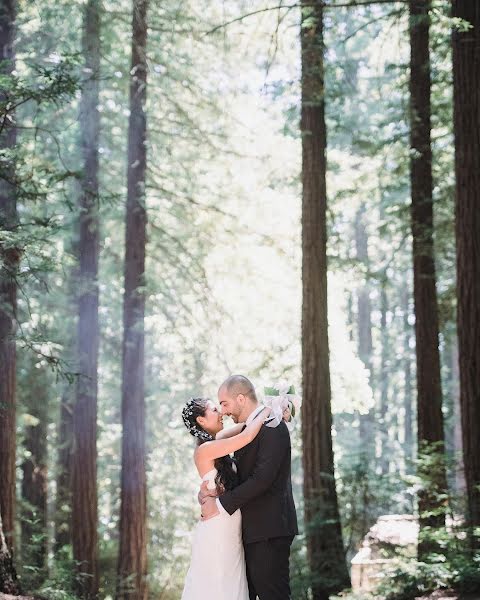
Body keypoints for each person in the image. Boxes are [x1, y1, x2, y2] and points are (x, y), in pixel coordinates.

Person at [200, 375, 298, 600]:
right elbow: (241, 475)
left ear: (241, 399)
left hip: (269, 529)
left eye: (225, 404)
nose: (223, 411)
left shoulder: (273, 426)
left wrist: (221, 505)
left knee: (273, 595)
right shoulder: (252, 429)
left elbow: (262, 479)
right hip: (252, 530)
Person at [181, 395, 270, 600]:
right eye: (214, 409)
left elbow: (246, 425)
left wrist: (274, 413)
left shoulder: (217, 441)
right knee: (218, 580)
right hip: (217, 525)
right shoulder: (204, 450)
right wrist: (268, 409)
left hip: (230, 522)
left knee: (232, 580)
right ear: (201, 421)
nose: (220, 412)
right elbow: (246, 436)